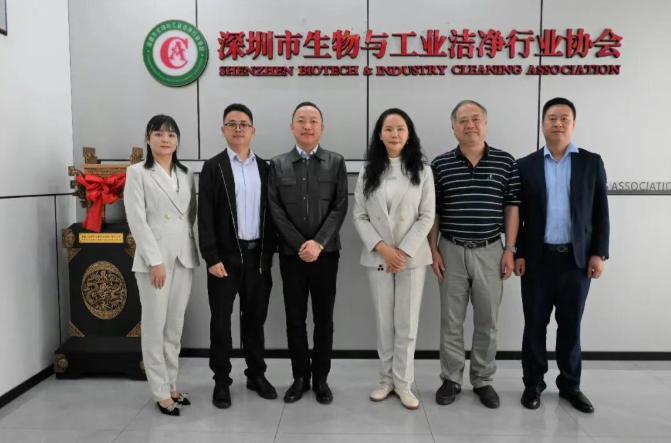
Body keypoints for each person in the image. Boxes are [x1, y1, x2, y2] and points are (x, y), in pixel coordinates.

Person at [515, 97, 609, 413]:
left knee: (570, 326)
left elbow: (600, 211)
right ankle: (533, 384)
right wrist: (518, 253)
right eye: (552, 118)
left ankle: (570, 385)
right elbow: (518, 216)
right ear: (543, 124)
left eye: (564, 118)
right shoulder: (525, 165)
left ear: (573, 124)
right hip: (537, 260)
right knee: (535, 325)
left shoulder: (590, 163)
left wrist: (599, 253)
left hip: (576, 261)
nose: (558, 123)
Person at [428, 100, 520, 409]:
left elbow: (512, 207)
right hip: (450, 249)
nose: (470, 125)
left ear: (485, 124)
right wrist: (433, 249)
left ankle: (482, 379)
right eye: (463, 120)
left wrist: (509, 249)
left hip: (491, 250)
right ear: (453, 128)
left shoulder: (505, 162)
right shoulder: (440, 165)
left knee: (488, 320)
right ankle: (451, 378)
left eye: (476, 119)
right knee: (451, 320)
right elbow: (433, 212)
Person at [352, 108, 435, 410]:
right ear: (380, 134)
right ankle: (385, 380)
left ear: (409, 133)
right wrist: (384, 249)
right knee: (385, 323)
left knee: (407, 324)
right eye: (388, 129)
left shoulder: (423, 171)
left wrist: (402, 252)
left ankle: (404, 383)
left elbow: (427, 216)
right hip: (378, 258)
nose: (395, 134)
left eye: (400, 128)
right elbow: (359, 215)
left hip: (411, 258)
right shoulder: (368, 172)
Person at [198, 103, 278, 409]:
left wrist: (269, 255)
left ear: (253, 130)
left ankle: (256, 374)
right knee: (221, 322)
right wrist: (211, 257)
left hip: (258, 257)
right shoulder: (213, 167)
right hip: (224, 259)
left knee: (255, 321)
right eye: (231, 124)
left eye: (244, 124)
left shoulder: (266, 169)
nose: (238, 128)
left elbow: (273, 215)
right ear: (223, 130)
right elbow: (205, 216)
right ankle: (221, 381)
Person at [268, 101, 348, 405]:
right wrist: (300, 244)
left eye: (313, 121)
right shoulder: (278, 165)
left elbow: (340, 206)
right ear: (292, 127)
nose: (307, 126)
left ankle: (321, 379)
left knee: (324, 320)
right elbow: (275, 209)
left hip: (327, 255)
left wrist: (318, 243)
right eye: (301, 120)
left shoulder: (335, 162)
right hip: (292, 256)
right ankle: (300, 377)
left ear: (322, 128)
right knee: (294, 319)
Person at [124, 115, 200, 416]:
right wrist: (154, 260)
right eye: (158, 134)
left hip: (183, 256)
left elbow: (190, 215)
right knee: (155, 326)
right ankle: (159, 392)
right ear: (148, 139)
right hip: (154, 260)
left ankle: (171, 384)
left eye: (171, 134)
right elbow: (137, 220)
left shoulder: (186, 173)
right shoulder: (137, 173)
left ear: (178, 140)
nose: (165, 139)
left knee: (175, 325)